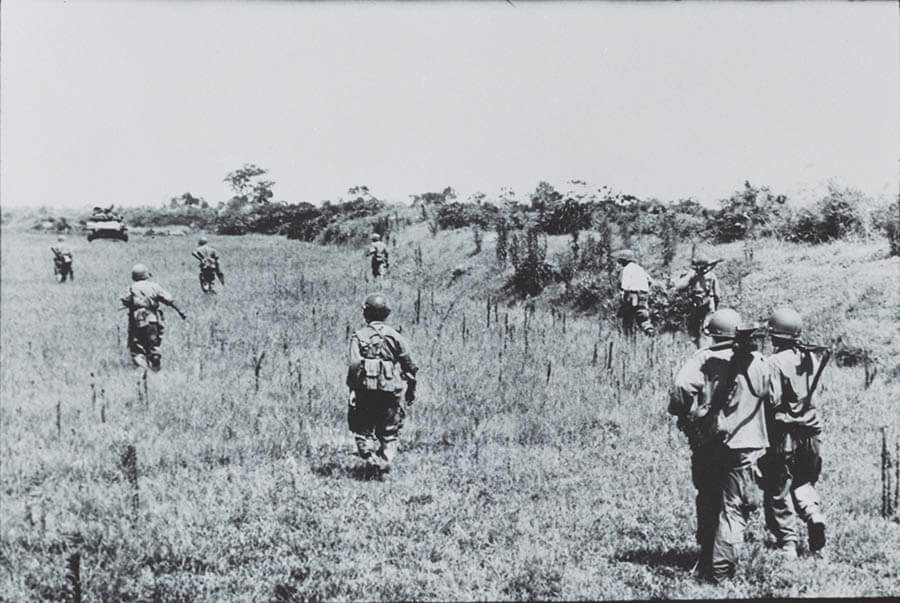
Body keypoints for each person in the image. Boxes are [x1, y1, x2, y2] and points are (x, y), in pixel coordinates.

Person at [669, 314, 772, 583]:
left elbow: (681, 387)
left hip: (711, 441)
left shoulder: (704, 357)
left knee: (708, 496)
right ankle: (722, 570)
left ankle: (708, 557)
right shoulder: (759, 360)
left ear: (713, 333)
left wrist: (688, 413)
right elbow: (774, 397)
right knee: (734, 507)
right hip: (747, 444)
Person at [759, 307, 828, 558]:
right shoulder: (812, 358)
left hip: (783, 434)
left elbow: (773, 400)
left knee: (777, 486)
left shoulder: (773, 363)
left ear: (775, 336)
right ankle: (813, 514)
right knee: (803, 480)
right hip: (811, 431)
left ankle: (788, 542)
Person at [346, 294, 418, 473]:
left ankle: (370, 456)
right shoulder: (395, 336)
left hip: (365, 389)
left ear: (366, 314)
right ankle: (385, 463)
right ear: (386, 314)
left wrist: (352, 390)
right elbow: (410, 366)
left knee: (363, 426)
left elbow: (354, 365)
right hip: (390, 388)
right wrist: (411, 389)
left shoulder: (359, 336)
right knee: (390, 429)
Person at [120, 263, 186, 370]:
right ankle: (155, 369)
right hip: (152, 319)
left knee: (137, 346)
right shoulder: (154, 286)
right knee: (153, 344)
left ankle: (142, 370)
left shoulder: (131, 287)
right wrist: (180, 311)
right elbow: (169, 299)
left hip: (137, 320)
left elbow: (124, 300)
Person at [675, 253, 722, 347]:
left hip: (702, 303)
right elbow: (717, 295)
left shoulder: (695, 276)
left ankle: (701, 348)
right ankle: (703, 348)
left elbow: (679, 287)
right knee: (703, 329)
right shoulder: (704, 276)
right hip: (702, 303)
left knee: (698, 329)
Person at [613, 249, 654, 335]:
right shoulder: (640, 268)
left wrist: (623, 296)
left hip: (632, 295)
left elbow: (625, 287)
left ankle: (629, 339)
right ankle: (650, 331)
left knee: (627, 319)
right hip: (643, 295)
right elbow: (651, 281)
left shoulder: (627, 269)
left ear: (623, 261)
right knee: (643, 317)